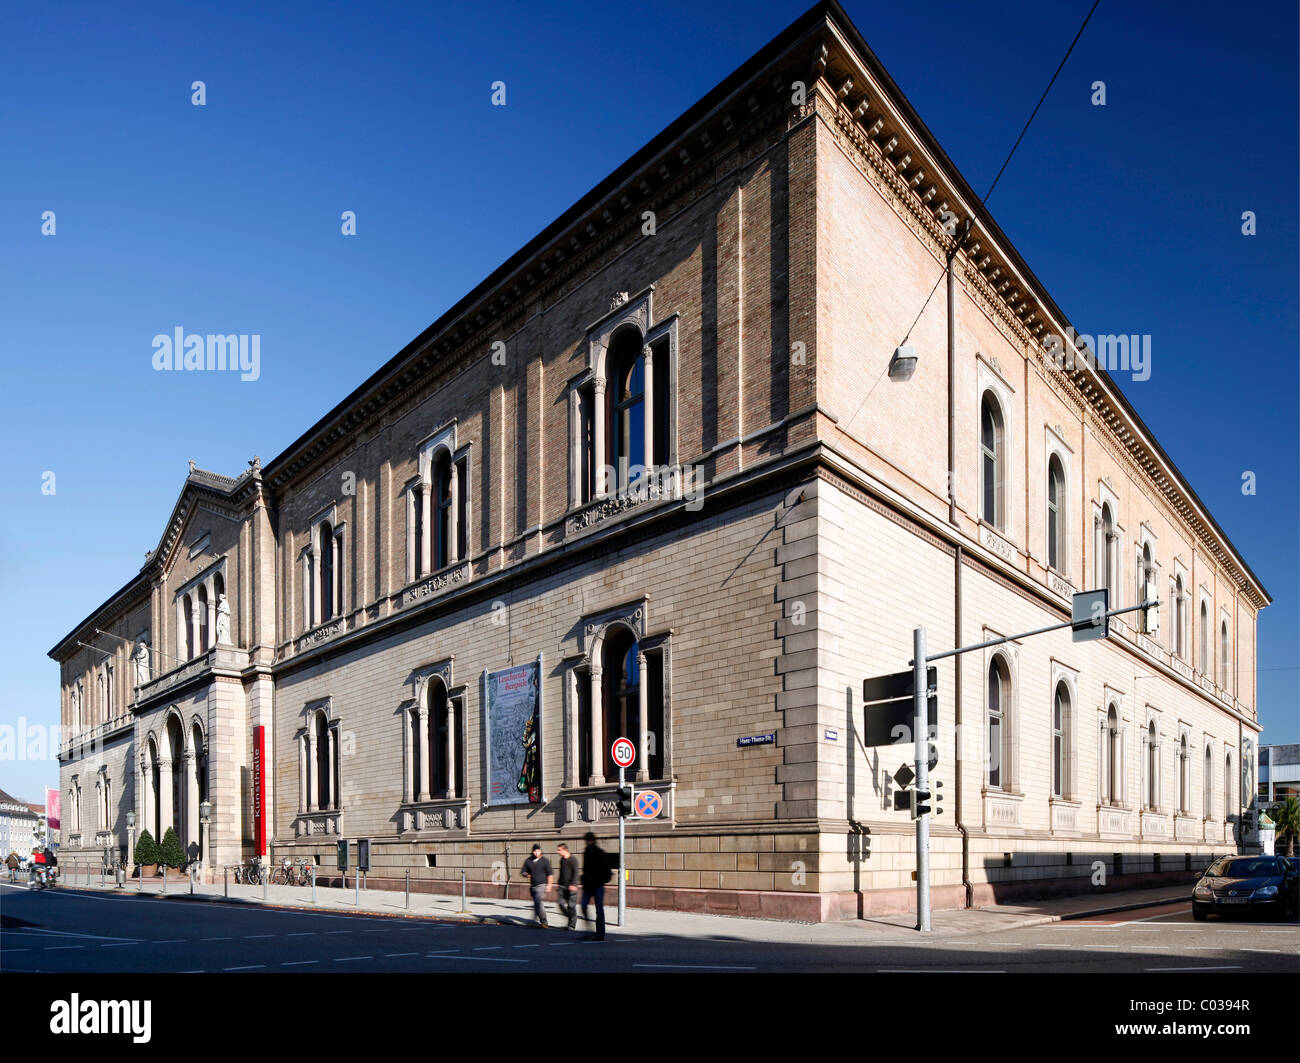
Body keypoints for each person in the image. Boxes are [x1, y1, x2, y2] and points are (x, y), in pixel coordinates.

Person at [580, 832, 612, 941]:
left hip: (597, 885)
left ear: (592, 840)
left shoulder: (599, 853)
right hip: (589, 886)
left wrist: (599, 880)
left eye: (588, 840)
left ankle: (600, 934)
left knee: (598, 910)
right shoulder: (586, 852)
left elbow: (605, 870)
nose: (586, 842)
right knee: (585, 906)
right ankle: (591, 931)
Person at [521, 843, 553, 928]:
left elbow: (550, 874)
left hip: (542, 885)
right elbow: (523, 871)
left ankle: (544, 922)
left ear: (540, 851)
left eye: (538, 851)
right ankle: (537, 920)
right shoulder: (528, 861)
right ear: (532, 852)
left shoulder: (545, 861)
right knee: (537, 904)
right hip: (533, 886)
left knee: (538, 901)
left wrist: (549, 885)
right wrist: (526, 875)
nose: (536, 853)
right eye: (535, 851)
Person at [556, 842, 579, 930]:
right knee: (560, 904)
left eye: (559, 850)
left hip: (571, 887)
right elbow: (561, 873)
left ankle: (572, 925)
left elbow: (576, 873)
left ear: (565, 850)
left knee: (571, 906)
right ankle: (571, 917)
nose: (558, 852)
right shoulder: (561, 860)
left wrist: (573, 884)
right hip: (562, 886)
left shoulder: (573, 860)